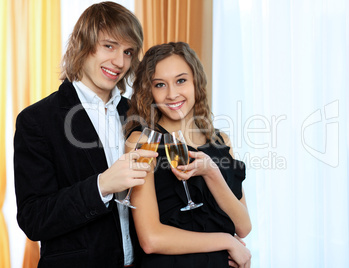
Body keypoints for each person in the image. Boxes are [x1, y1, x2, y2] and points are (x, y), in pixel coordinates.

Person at [13, 2, 156, 267]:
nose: (119, 62)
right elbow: (34, 218)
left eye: (128, 51)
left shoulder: (137, 115)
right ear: (82, 43)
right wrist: (101, 185)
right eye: (109, 46)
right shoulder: (37, 120)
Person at [125, 42, 252, 268]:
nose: (172, 94)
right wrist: (226, 242)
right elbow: (150, 240)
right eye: (160, 84)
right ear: (149, 91)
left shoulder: (221, 141)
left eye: (181, 81)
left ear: (196, 82)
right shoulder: (144, 141)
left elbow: (243, 226)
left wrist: (211, 172)